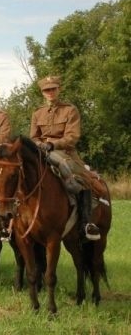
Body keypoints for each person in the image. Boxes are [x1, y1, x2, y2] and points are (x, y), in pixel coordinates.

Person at [30, 75, 100, 241]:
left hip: (65, 152)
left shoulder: (70, 110)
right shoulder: (37, 113)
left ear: (58, 89)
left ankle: (86, 222)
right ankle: (15, 222)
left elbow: (73, 136)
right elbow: (33, 137)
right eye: (47, 90)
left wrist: (53, 144)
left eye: (53, 89)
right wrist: (40, 145)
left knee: (81, 178)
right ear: (42, 93)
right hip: (41, 152)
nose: (50, 92)